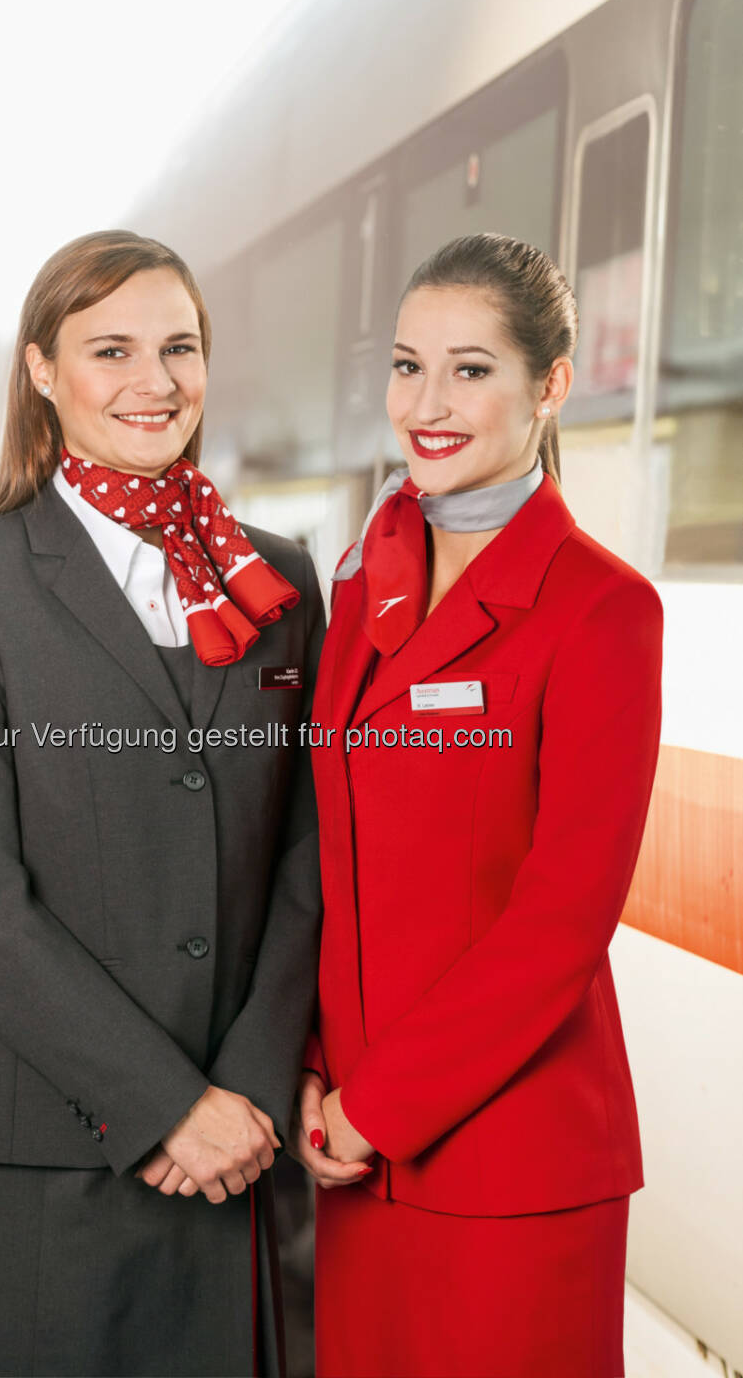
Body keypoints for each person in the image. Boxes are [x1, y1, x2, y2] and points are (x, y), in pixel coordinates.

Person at [0, 230, 325, 1378]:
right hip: (46, 1143)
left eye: (179, 347)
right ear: (42, 371)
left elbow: (308, 852)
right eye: (112, 350)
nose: (155, 381)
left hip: (238, 1145)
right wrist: (166, 1105)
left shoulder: (282, 587)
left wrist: (249, 1085)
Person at [291, 233, 663, 1378]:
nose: (428, 404)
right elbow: (325, 851)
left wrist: (376, 1106)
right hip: (357, 1157)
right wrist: (313, 1067)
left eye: (471, 369)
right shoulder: (366, 578)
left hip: (507, 1166)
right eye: (407, 367)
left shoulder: (602, 609)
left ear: (550, 385)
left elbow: (560, 924)